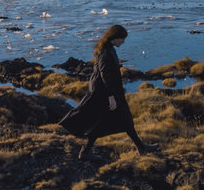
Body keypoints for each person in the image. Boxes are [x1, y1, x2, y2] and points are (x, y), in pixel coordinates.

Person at [59, 24, 158, 160]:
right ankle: (86, 152)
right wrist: (111, 97)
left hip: (108, 91)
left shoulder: (108, 48)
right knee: (105, 122)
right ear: (115, 38)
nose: (123, 42)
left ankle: (141, 147)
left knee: (124, 119)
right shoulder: (105, 52)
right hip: (105, 92)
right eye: (122, 39)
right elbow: (105, 75)